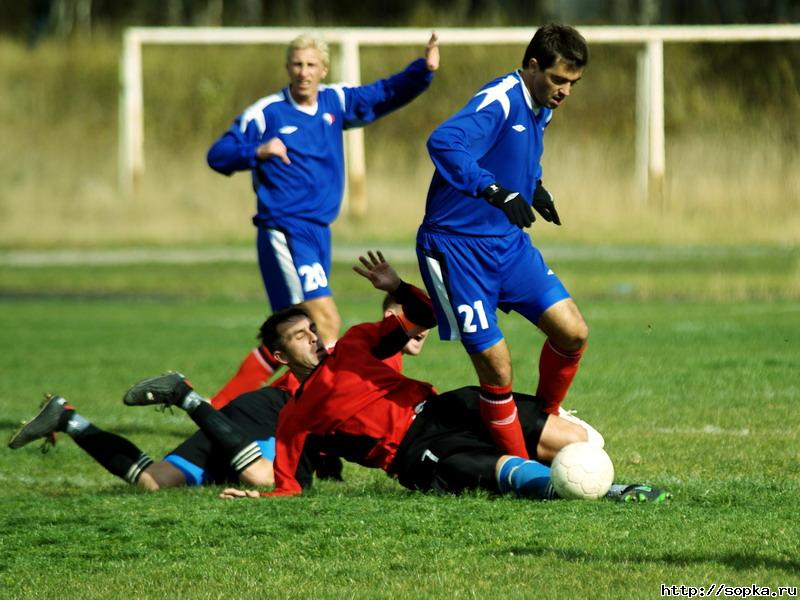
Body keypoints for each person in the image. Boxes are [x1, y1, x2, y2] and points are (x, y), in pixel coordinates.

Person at [190, 251, 663, 503]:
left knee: (580, 442)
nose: (313, 338)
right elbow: (289, 486)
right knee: (507, 474)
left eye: (312, 329)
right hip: (417, 452)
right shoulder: (295, 417)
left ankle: (589, 477)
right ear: (278, 355)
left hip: (446, 407)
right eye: (299, 337)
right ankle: (612, 494)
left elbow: (424, 315)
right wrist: (258, 498)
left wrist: (397, 286)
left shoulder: (354, 343)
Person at [206, 32, 440, 408]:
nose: (304, 72)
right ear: (287, 67)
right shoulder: (267, 113)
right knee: (322, 322)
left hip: (317, 231)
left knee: (297, 332)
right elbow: (218, 154)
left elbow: (383, 93)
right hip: (285, 228)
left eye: (311, 65)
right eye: (297, 64)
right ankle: (329, 406)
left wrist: (423, 71)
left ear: (324, 69)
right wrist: (258, 149)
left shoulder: (335, 102)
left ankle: (222, 408)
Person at [6, 292, 428, 490]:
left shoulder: (363, 354)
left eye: (312, 331)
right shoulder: (365, 357)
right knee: (263, 478)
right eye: (302, 335)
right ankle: (186, 396)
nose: (420, 336)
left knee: (154, 482)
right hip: (269, 414)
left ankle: (67, 418)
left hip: (239, 418)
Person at [415, 23, 590, 461]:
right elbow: (444, 141)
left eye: (573, 82)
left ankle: (544, 418)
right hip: (457, 248)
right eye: (558, 79)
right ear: (532, 66)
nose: (566, 91)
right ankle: (521, 470)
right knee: (497, 370)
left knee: (572, 332)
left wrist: (534, 186)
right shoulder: (500, 99)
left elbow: (518, 152)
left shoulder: (542, 105)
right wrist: (494, 191)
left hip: (508, 245)